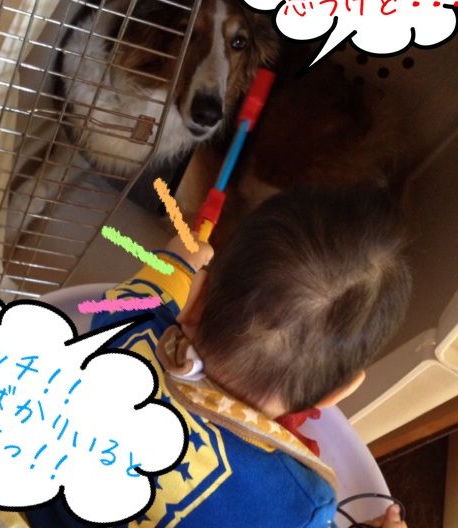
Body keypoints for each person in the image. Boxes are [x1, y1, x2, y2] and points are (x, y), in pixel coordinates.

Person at [25, 185, 412, 528]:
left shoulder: (130, 322)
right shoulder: (301, 505)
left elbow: (145, 289)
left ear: (195, 302)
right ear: (334, 394)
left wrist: (178, 260)